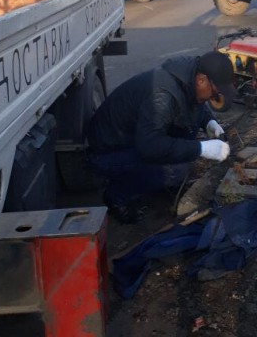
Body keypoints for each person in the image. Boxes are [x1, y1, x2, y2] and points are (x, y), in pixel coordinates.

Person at [86, 51, 238, 223]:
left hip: (134, 137)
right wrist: (201, 148)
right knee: (175, 170)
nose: (214, 97)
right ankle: (117, 196)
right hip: (107, 151)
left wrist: (210, 122)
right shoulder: (162, 96)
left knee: (187, 135)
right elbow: (150, 145)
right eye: (214, 93)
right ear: (202, 80)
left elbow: (196, 106)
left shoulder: (189, 76)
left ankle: (154, 180)